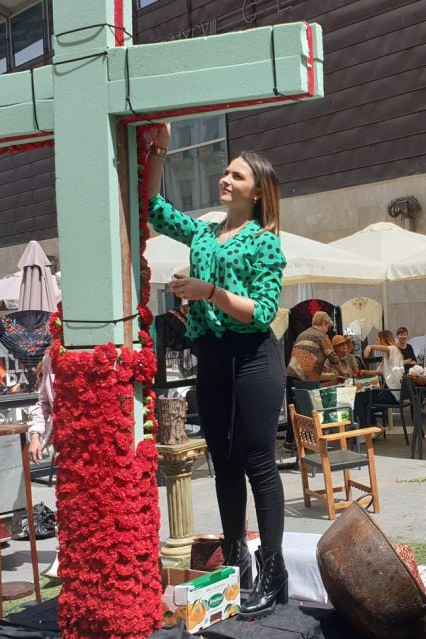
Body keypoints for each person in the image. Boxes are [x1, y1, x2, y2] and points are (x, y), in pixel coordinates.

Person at [145, 124, 287, 619]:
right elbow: (153, 209)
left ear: (257, 191)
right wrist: (158, 150)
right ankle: (236, 563)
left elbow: (264, 310)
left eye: (236, 175)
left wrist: (209, 293)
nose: (225, 179)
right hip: (211, 358)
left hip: (253, 358)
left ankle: (273, 571)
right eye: (225, 172)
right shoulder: (204, 231)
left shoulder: (265, 242)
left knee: (258, 463)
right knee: (222, 462)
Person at [26, 352, 59, 579]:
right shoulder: (50, 359)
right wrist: (35, 435)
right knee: (68, 503)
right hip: (64, 444)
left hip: (97, 444)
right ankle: (64, 554)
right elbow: (43, 403)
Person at [286, 311, 351, 382]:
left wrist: (320, 365)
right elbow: (333, 356)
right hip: (306, 378)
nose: (327, 330)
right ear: (323, 323)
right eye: (327, 327)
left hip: (290, 374)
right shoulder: (322, 336)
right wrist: (342, 372)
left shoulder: (301, 335)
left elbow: (306, 354)